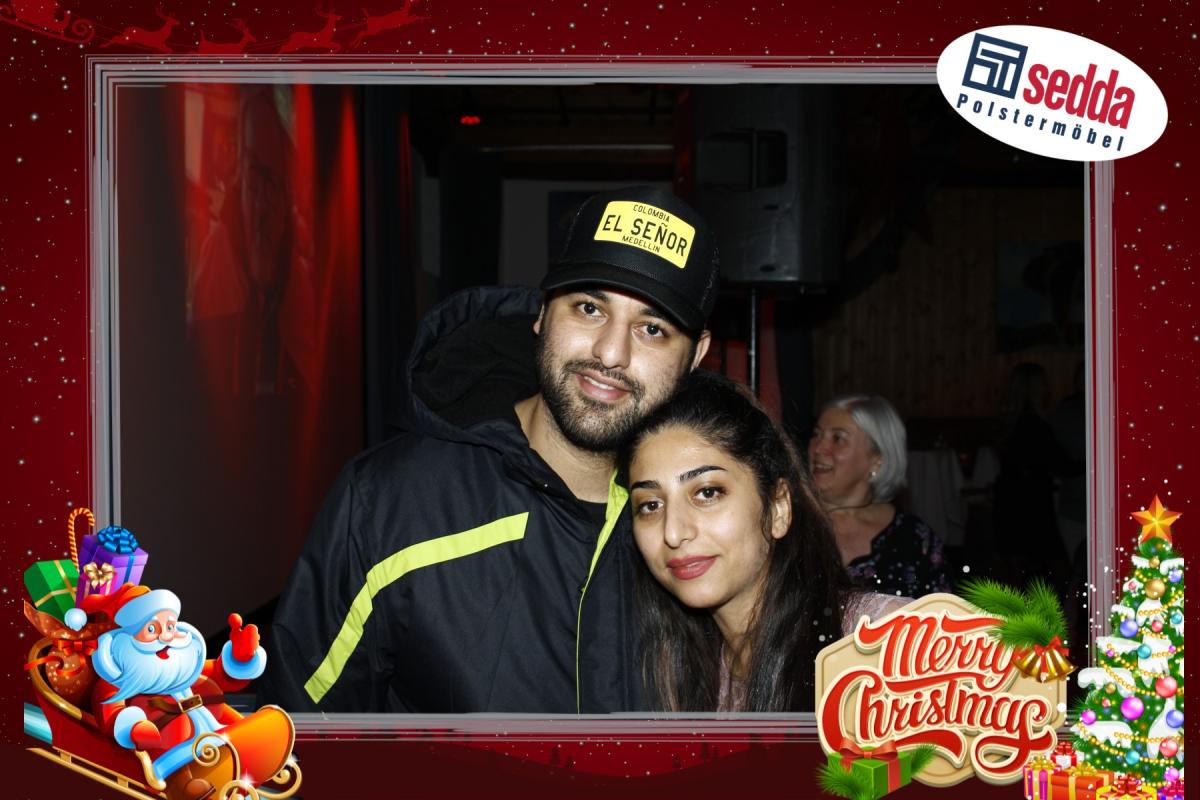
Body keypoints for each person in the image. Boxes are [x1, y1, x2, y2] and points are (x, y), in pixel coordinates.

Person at [258, 186, 719, 713]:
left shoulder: (713, 535)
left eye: (652, 329)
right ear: (542, 312)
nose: (611, 352)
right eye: (589, 308)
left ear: (696, 355)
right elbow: (297, 734)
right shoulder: (392, 502)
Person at [620, 371, 904, 712]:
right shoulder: (671, 669)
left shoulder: (885, 643)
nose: (673, 532)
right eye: (650, 505)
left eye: (707, 492)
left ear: (778, 508)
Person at [88, 584, 291, 800]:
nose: (166, 637)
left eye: (170, 626)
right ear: (124, 642)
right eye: (151, 630)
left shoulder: (184, 669)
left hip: (218, 736)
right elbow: (110, 709)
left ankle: (252, 763)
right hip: (174, 752)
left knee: (269, 724)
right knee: (181, 768)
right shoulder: (122, 680)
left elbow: (222, 676)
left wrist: (240, 659)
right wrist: (134, 727)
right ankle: (186, 784)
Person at [808, 394, 950, 598]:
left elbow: (940, 612)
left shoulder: (914, 539)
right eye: (816, 434)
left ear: (876, 461)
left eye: (838, 438)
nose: (818, 448)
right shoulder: (785, 522)